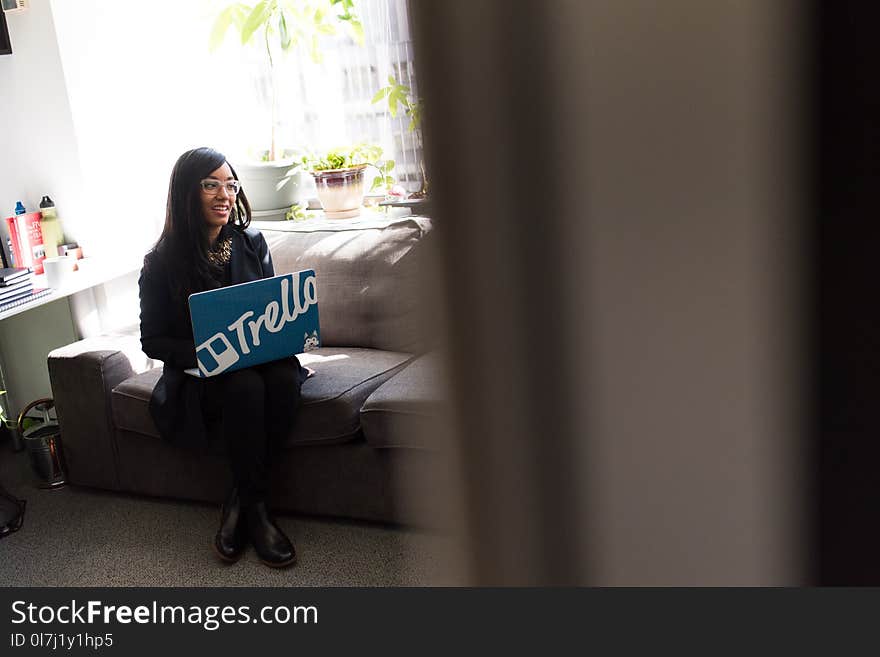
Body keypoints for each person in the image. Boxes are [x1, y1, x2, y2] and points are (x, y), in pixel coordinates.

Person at [138, 147, 309, 568]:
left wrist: (289, 331)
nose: (224, 194)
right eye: (210, 184)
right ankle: (259, 512)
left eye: (230, 184)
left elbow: (269, 306)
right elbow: (153, 340)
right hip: (203, 374)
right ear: (185, 193)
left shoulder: (251, 243)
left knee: (284, 380)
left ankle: (240, 499)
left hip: (262, 361)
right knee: (245, 385)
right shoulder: (160, 263)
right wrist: (211, 350)